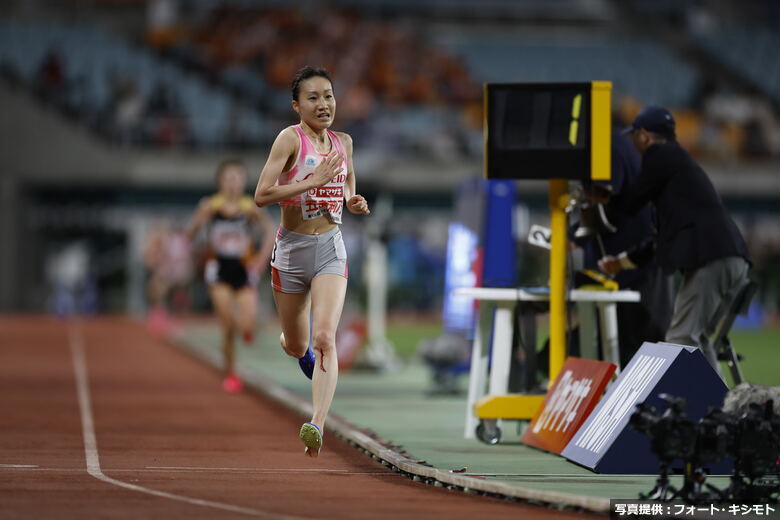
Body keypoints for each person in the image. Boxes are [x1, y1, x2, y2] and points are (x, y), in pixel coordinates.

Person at [253, 66, 370, 457]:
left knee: (325, 338)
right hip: (290, 252)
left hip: (330, 249)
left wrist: (352, 198)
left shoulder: (344, 142)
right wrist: (312, 182)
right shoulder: (289, 140)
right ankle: (297, 348)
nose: (324, 105)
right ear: (297, 105)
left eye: (329, 96)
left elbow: (348, 178)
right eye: (314, 98)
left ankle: (316, 423)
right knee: (297, 342)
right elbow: (262, 195)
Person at [598, 106, 750, 371]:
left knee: (680, 339)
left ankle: (700, 409)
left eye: (634, 136)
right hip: (733, 259)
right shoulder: (676, 173)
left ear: (644, 136)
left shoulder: (660, 155)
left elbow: (630, 204)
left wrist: (603, 198)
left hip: (711, 259)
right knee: (698, 338)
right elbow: (656, 243)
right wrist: (620, 262)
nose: (633, 142)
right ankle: (719, 408)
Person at [572, 129, 674, 368]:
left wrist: (573, 236)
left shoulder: (606, 148)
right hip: (631, 261)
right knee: (626, 344)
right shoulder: (612, 145)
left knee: (642, 348)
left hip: (637, 263)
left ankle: (649, 401)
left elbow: (605, 204)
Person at [187, 159, 275, 393]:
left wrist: (260, 261)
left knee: (246, 324)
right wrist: (200, 219)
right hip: (219, 268)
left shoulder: (250, 207)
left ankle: (246, 331)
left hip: (244, 268)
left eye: (237, 178)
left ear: (244, 181)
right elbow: (190, 234)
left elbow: (270, 232)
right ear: (220, 181)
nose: (233, 183)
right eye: (229, 178)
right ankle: (231, 372)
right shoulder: (211, 206)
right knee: (227, 324)